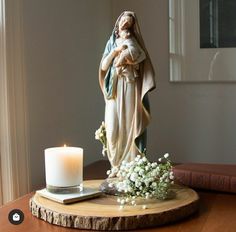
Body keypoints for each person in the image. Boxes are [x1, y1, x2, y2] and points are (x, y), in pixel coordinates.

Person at [99, 11, 155, 176]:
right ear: (118, 23)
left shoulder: (133, 42)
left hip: (129, 87)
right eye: (124, 21)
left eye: (129, 23)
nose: (125, 24)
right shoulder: (111, 43)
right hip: (114, 89)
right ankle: (115, 164)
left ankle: (129, 167)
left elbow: (140, 56)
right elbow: (103, 67)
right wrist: (115, 52)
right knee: (112, 127)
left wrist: (128, 57)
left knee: (128, 123)